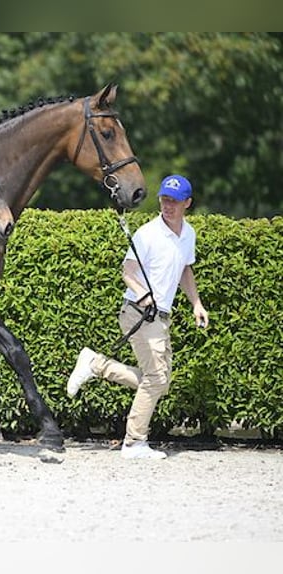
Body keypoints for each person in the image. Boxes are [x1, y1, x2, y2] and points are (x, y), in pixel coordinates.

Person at [66, 174, 209, 460]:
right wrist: (144, 296)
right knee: (156, 379)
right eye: (165, 200)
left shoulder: (188, 234)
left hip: (161, 316)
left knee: (159, 382)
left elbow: (185, 270)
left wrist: (196, 303)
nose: (168, 206)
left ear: (187, 204)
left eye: (175, 201)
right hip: (139, 313)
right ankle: (133, 442)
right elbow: (127, 273)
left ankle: (97, 364)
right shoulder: (147, 233)